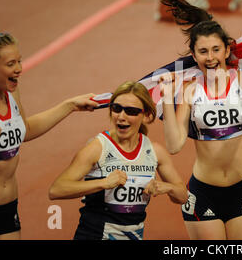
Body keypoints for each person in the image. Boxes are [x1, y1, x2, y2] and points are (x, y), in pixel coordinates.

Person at [158, 0, 242, 239]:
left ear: (227, 50)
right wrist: (167, 98)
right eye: (203, 52)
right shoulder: (189, 91)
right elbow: (175, 145)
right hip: (203, 194)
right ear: (194, 56)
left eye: (216, 49)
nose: (210, 57)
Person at [0, 32, 99, 240]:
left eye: (19, 61)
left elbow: (24, 129)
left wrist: (70, 106)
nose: (18, 69)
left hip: (7, 209)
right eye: (10, 64)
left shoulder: (11, 93)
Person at [49, 81, 188, 240]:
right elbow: (56, 189)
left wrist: (166, 187)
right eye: (116, 109)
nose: (121, 117)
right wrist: (103, 183)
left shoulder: (154, 151)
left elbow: (183, 196)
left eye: (131, 111)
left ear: (146, 115)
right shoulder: (98, 148)